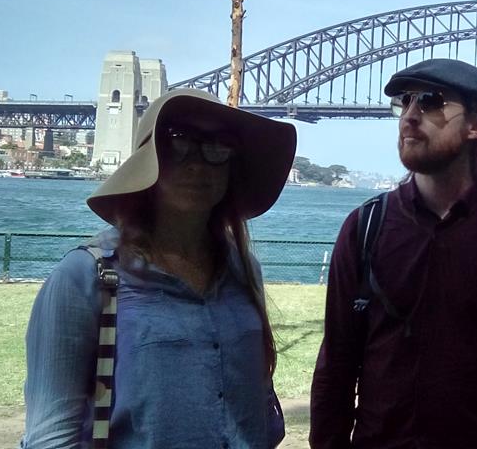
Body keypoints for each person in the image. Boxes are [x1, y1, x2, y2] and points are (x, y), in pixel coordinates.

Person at [310, 58, 477, 449]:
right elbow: (336, 365)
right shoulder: (364, 227)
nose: (410, 115)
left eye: (431, 101)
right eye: (405, 101)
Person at [22, 88, 295, 448]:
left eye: (219, 145)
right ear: (146, 162)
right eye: (179, 140)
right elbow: (50, 438)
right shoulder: (86, 277)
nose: (198, 162)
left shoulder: (244, 272)